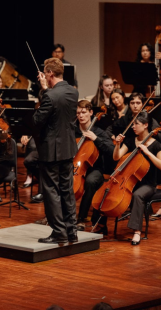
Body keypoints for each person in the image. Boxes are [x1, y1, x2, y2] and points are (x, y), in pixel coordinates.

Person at [32, 57, 79, 244]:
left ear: (49, 74)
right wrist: (47, 89)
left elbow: (37, 120)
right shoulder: (73, 92)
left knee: (51, 191)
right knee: (67, 190)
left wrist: (44, 90)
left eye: (46, 72)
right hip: (67, 148)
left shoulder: (50, 95)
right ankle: (71, 231)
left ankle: (59, 232)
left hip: (51, 151)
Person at [101, 112, 161, 245]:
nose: (133, 126)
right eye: (133, 123)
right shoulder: (130, 140)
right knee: (109, 191)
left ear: (145, 125)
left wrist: (147, 152)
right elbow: (116, 157)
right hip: (129, 181)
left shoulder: (156, 145)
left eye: (136, 124)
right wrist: (117, 145)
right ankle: (100, 224)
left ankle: (137, 232)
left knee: (137, 195)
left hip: (148, 185)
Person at [74, 100, 114, 231]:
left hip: (95, 169)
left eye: (84, 112)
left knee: (91, 182)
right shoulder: (72, 130)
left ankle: (81, 218)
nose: (81, 115)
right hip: (75, 167)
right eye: (78, 112)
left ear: (91, 113)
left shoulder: (99, 132)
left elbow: (111, 150)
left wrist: (96, 139)